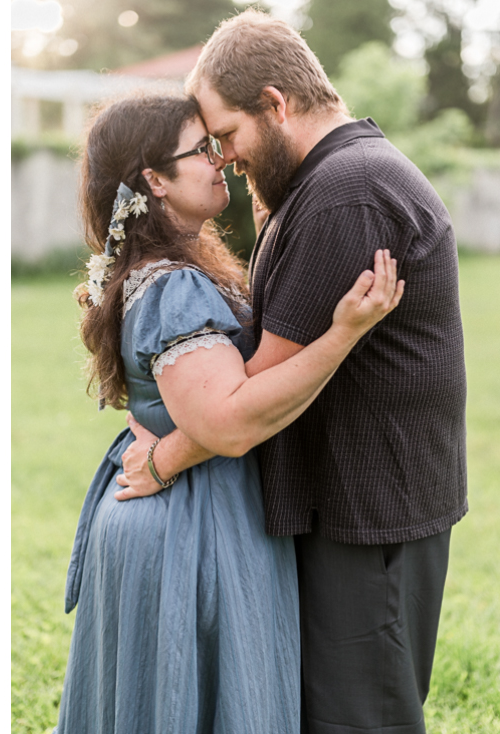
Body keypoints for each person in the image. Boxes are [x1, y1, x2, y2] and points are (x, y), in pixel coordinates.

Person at [119, 10, 467, 733]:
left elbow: (247, 396)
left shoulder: (347, 191)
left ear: (276, 104)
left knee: (359, 719)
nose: (223, 157)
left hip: (368, 519)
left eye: (228, 136)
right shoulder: (323, 182)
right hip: (348, 506)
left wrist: (167, 456)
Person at [56, 92, 402, 733]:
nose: (220, 162)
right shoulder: (173, 286)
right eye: (201, 150)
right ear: (154, 181)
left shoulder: (168, 268)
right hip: (190, 524)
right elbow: (228, 423)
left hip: (171, 507)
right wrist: (345, 333)